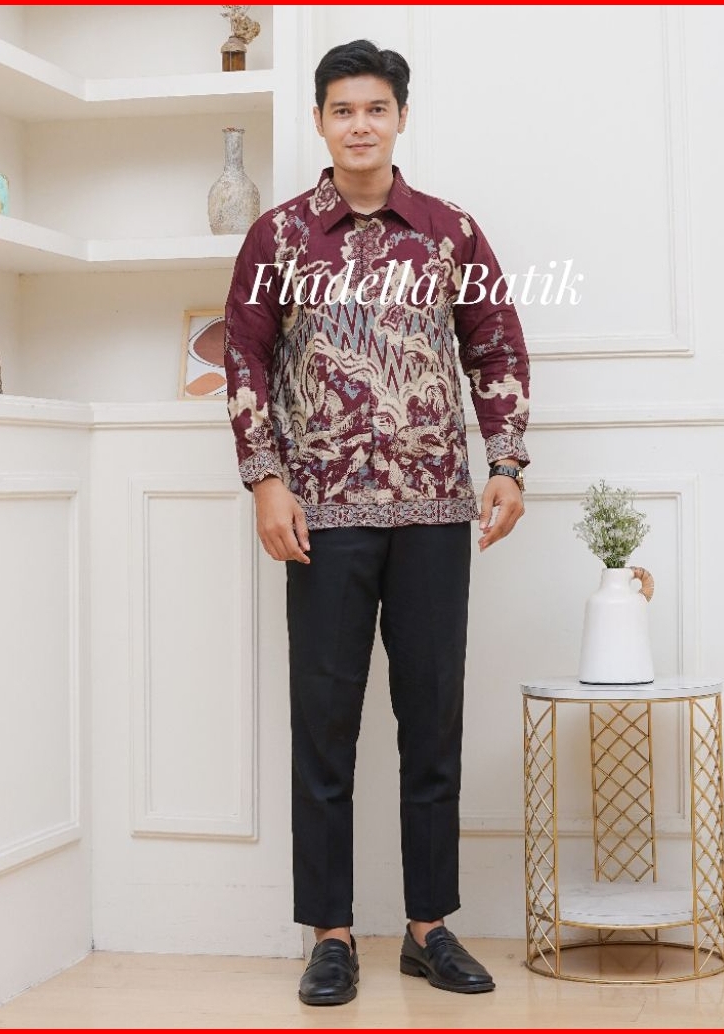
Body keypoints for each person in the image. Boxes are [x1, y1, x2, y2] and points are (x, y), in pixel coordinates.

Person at [223, 39, 530, 1006]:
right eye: (343, 109)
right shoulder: (277, 237)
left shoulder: (448, 232)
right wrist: (266, 480)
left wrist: (506, 462)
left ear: (401, 117)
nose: (360, 125)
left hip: (436, 510)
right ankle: (331, 933)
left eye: (376, 108)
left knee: (431, 720)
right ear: (319, 121)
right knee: (326, 724)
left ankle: (428, 927)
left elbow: (495, 344)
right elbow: (245, 358)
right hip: (321, 516)